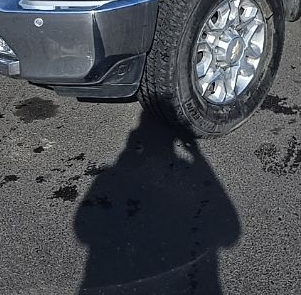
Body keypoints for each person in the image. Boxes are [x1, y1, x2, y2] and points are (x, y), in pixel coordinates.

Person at [75, 111, 240, 294]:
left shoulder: (107, 177)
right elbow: (230, 234)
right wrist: (197, 155)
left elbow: (83, 230)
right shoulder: (186, 172)